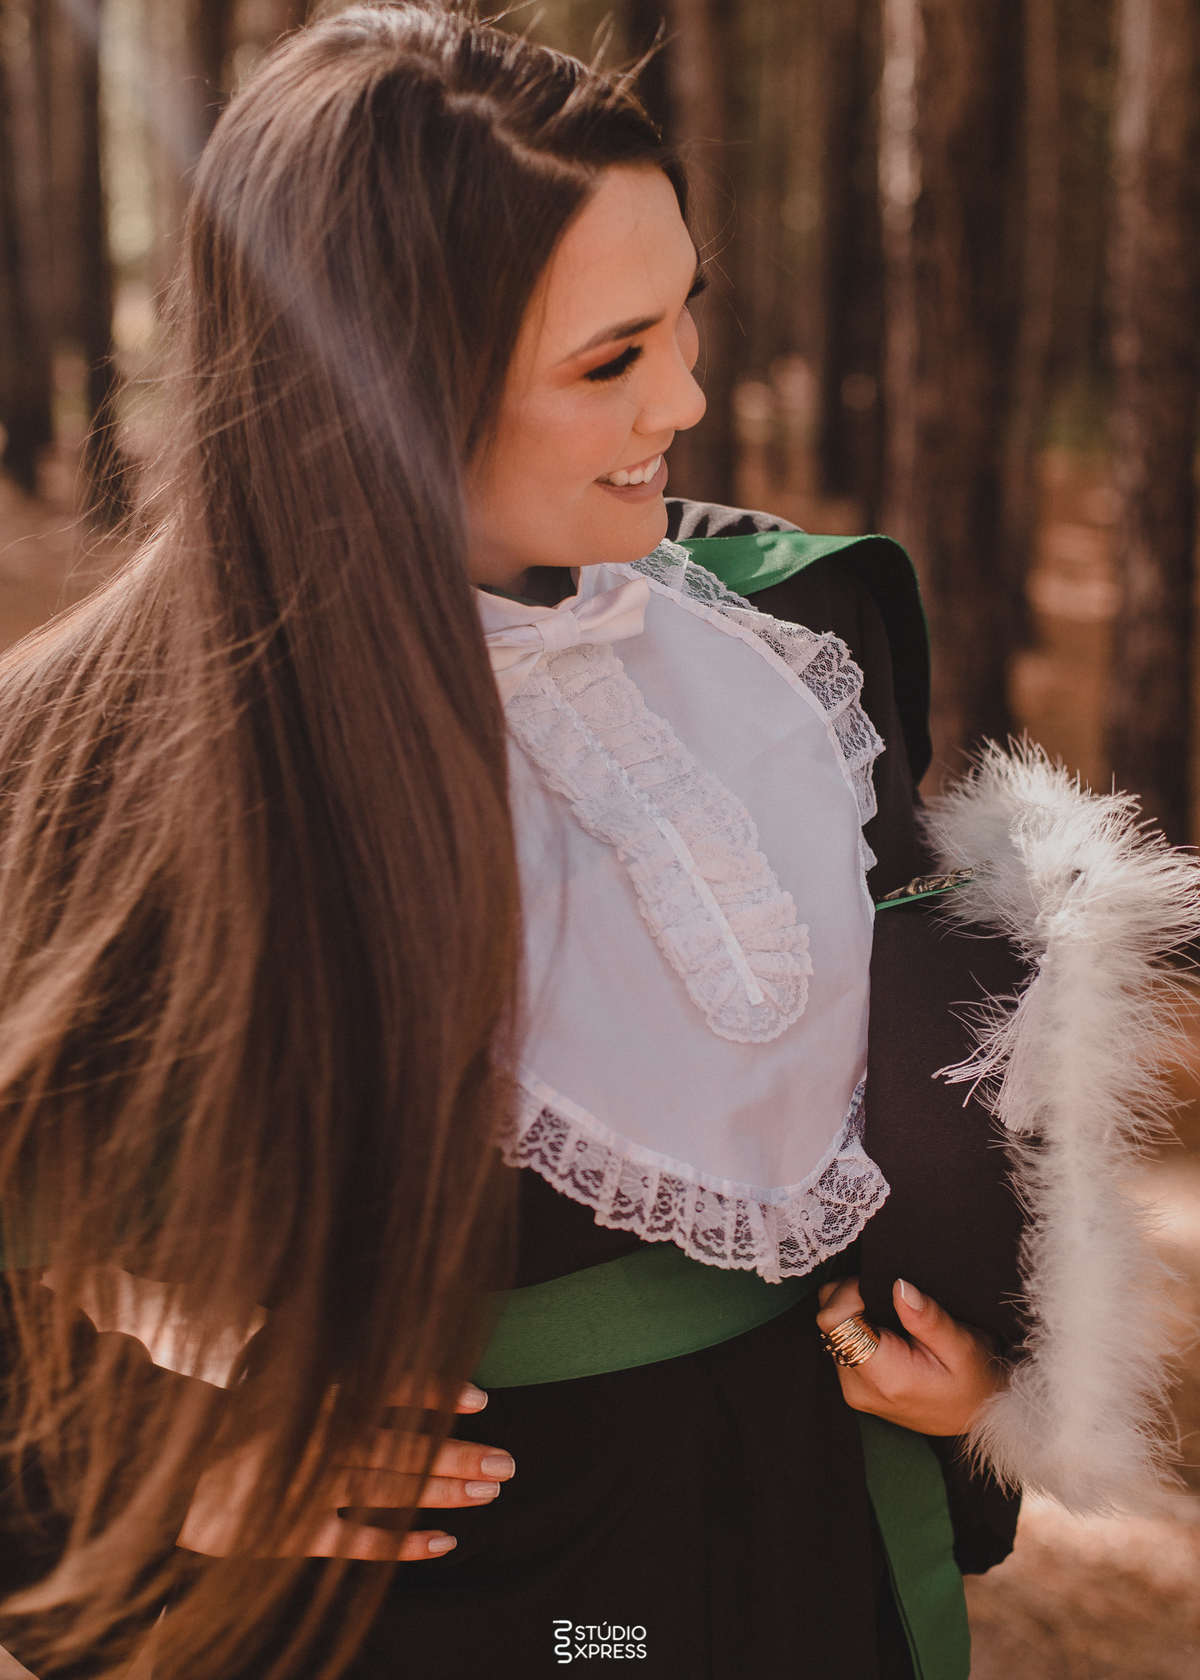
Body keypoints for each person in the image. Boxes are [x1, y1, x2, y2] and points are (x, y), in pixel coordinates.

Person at [0, 7, 1187, 1680]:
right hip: (450, 1609)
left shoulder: (794, 638)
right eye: (610, 360)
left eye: (685, 313)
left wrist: (985, 1389)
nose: (689, 395)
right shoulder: (87, 755)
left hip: (809, 1537)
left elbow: (914, 1109)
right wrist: (160, 1462)